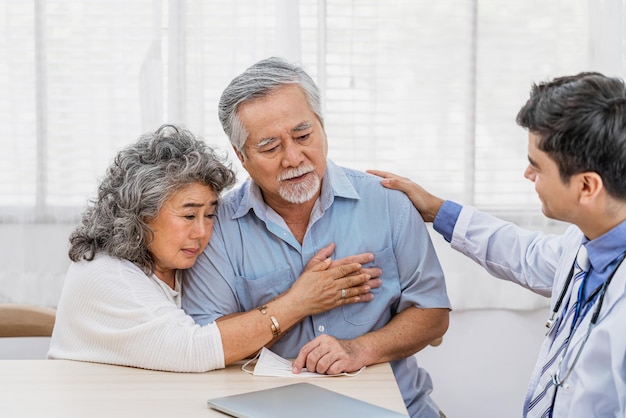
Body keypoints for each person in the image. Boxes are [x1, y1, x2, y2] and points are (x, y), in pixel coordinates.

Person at [182, 57, 451, 418]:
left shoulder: (389, 203)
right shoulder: (218, 228)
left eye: (303, 135)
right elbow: (209, 342)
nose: (293, 158)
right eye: (270, 147)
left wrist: (359, 350)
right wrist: (297, 302)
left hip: (397, 409)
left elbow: (433, 313)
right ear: (242, 156)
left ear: (322, 127)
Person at [368, 72, 626, 417]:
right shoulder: (588, 243)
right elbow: (526, 254)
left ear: (586, 187)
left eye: (537, 167)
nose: (527, 174)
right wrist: (437, 210)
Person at [48, 124, 379, 372]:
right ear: (140, 212)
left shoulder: (173, 266)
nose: (203, 231)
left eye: (210, 214)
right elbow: (194, 348)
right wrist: (300, 300)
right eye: (189, 215)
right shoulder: (106, 274)